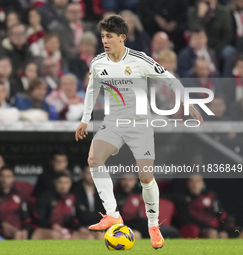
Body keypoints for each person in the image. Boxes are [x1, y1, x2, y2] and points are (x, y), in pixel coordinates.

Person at [74, 15, 203, 249]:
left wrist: (189, 103)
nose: (105, 40)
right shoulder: (98, 63)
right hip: (112, 123)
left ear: (122, 37)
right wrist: (85, 120)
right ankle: (113, 215)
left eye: (109, 36)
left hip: (139, 125)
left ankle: (153, 226)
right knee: (93, 159)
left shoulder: (140, 60)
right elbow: (92, 91)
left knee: (145, 177)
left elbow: (170, 79)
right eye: (103, 36)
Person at [32, 171, 91, 240]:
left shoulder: (72, 197)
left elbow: (74, 218)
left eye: (66, 183)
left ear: (70, 184)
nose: (63, 186)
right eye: (60, 182)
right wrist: (52, 226)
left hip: (65, 230)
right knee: (58, 236)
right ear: (55, 183)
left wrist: (80, 227)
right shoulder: (45, 197)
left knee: (88, 237)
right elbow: (38, 217)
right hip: (46, 229)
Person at [174, 174, 233, 238]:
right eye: (192, 182)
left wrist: (224, 230)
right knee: (212, 234)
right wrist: (208, 228)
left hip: (218, 227)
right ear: (187, 183)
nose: (195, 185)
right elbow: (187, 219)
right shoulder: (182, 199)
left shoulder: (211, 195)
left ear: (202, 183)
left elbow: (220, 213)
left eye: (198, 182)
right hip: (203, 229)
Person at [188, 0, 236, 77]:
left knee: (229, 52)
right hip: (199, 47)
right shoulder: (193, 11)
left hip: (218, 47)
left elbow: (227, 36)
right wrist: (200, 16)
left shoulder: (223, 12)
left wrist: (213, 50)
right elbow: (194, 32)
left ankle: (226, 84)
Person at [0, 166, 30, 240]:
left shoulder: (20, 195)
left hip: (19, 229)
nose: (5, 179)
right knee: (18, 234)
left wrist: (26, 229)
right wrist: (2, 224)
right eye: (2, 176)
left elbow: (26, 216)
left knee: (23, 234)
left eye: (8, 177)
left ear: (12, 179)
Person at [71, 166, 104, 240]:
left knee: (102, 236)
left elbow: (103, 212)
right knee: (89, 238)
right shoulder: (74, 190)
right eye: (89, 173)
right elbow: (73, 213)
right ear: (82, 174)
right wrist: (80, 227)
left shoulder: (102, 191)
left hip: (97, 226)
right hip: (79, 227)